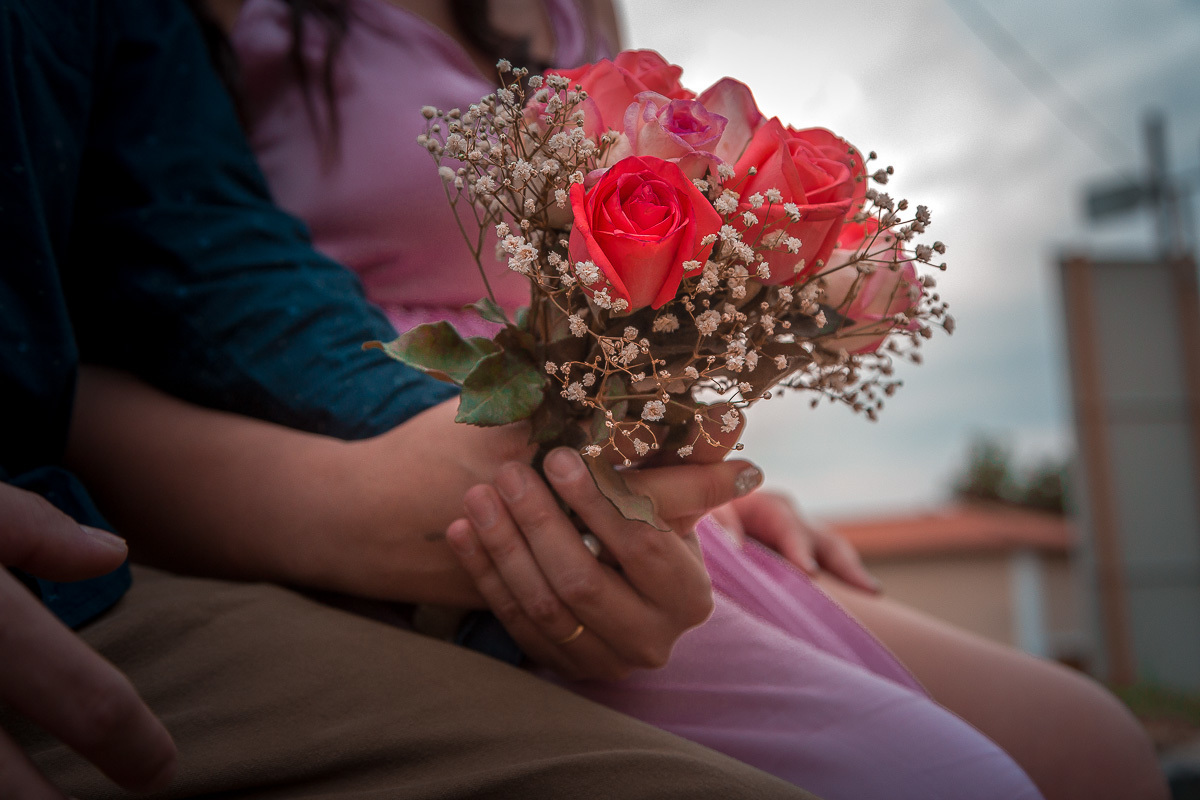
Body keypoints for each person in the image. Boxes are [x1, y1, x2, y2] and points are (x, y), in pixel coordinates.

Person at [212, 1, 1163, 798]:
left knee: (1097, 749)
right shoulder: (245, 23)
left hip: (613, 451)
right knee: (955, 782)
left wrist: (719, 476)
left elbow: (624, 304)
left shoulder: (561, 13)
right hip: (406, 432)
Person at [0, 1, 822, 797]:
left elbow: (192, 246)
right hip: (355, 470)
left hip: (498, 460)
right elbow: (114, 323)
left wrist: (679, 466)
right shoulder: (243, 26)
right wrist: (390, 475)